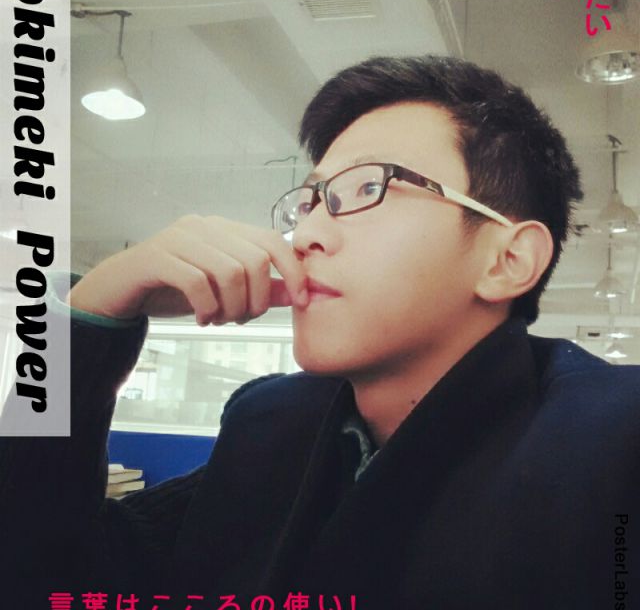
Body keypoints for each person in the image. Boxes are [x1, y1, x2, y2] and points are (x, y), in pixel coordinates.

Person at [1, 55, 638, 610]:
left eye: (368, 187)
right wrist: (88, 318)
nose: (305, 233)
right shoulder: (270, 426)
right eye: (309, 202)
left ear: (508, 259)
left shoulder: (611, 446)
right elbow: (41, 574)